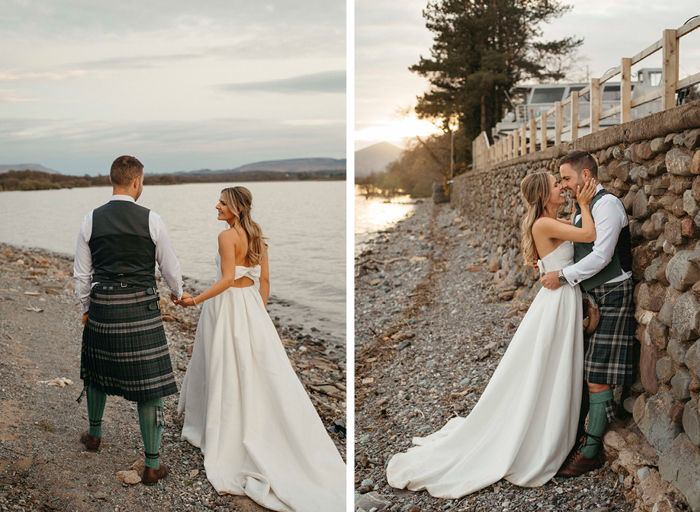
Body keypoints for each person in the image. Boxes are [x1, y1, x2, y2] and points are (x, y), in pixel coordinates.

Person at [385, 172, 597, 498]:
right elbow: (589, 233)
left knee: (549, 366)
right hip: (557, 302)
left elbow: (578, 236)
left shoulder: (553, 220)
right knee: (547, 366)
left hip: (561, 298)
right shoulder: (542, 223)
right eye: (557, 185)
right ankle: (539, 434)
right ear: (543, 194)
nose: (562, 187)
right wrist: (585, 202)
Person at [175, 186, 346, 512]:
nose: (217, 207)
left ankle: (224, 425)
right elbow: (264, 281)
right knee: (255, 368)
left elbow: (226, 279)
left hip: (226, 308)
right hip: (252, 306)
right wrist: (259, 313)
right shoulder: (257, 236)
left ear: (236, 208)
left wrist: (194, 300)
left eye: (223, 203)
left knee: (222, 363)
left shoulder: (227, 238)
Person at [74, 155, 189, 485]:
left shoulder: (90, 220)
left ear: (113, 180)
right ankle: (152, 465)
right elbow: (170, 267)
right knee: (149, 384)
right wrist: (178, 293)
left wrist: (86, 307)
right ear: (137, 181)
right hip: (141, 309)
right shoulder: (152, 219)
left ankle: (94, 436)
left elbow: (82, 275)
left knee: (96, 371)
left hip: (103, 307)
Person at [540, 150, 635, 477]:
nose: (563, 185)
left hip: (613, 293)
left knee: (596, 373)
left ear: (585, 175)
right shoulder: (585, 206)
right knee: (585, 369)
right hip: (593, 297)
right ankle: (582, 438)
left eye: (566, 178)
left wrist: (562, 276)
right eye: (560, 181)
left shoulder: (607, 205)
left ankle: (591, 451)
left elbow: (601, 257)